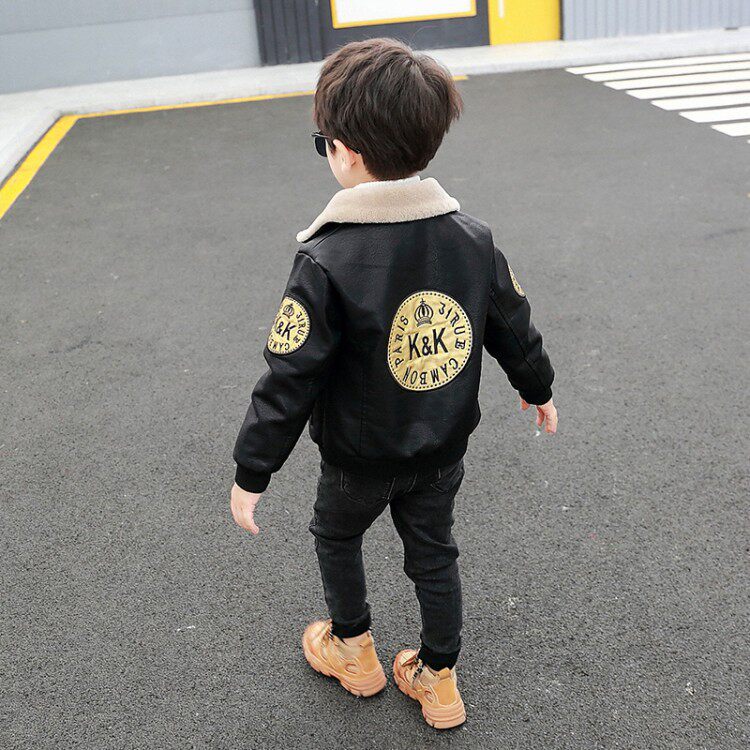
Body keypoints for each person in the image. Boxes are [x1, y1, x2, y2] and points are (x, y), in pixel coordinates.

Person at [230, 38, 557, 730]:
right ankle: (439, 679)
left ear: (345, 152)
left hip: (359, 457)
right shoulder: (472, 238)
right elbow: (510, 321)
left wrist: (253, 470)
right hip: (441, 449)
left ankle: (354, 651)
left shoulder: (327, 258)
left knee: (336, 536)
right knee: (434, 553)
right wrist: (538, 386)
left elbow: (291, 374)